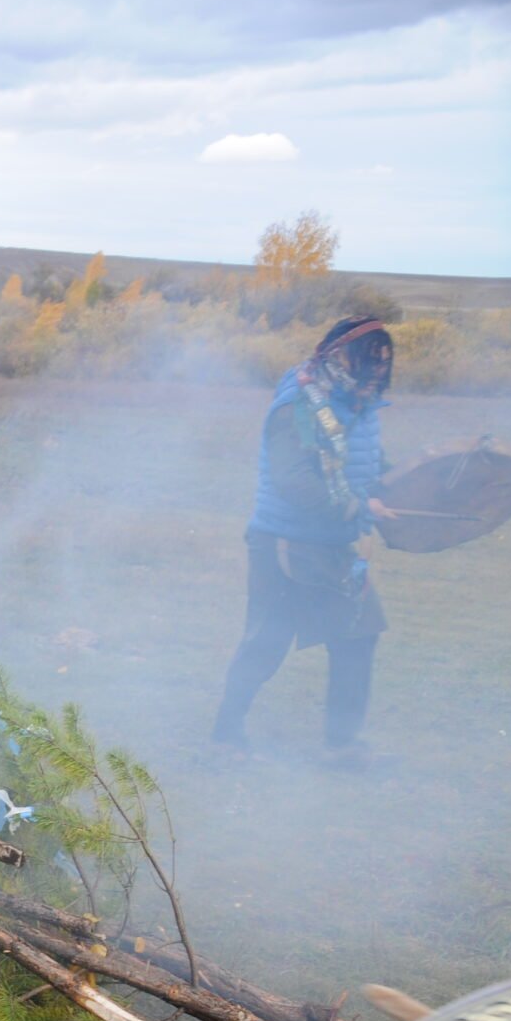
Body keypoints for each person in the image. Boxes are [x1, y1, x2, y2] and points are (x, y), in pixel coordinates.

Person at [212, 316, 397, 763]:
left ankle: (341, 743)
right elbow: (295, 482)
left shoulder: (356, 402)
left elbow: (365, 461)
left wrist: (396, 485)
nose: (377, 370)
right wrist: (358, 506)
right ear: (340, 355)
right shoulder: (297, 404)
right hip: (285, 544)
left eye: (383, 361)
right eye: (369, 359)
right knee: (267, 640)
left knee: (358, 633)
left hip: (332, 544)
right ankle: (225, 735)